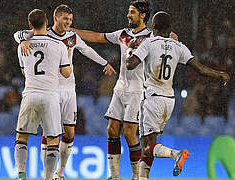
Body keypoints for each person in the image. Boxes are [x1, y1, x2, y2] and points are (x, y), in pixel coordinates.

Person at [71, 0, 174, 179]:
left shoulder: (152, 38)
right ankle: (114, 175)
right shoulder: (122, 34)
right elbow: (97, 37)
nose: (128, 15)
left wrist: (171, 37)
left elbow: (169, 44)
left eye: (132, 12)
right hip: (120, 88)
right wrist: (72, 31)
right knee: (111, 129)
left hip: (138, 91)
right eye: (129, 11)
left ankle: (136, 176)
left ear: (143, 15)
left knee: (128, 132)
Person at [14, 4, 116, 180]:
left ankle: (59, 173)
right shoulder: (45, 35)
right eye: (65, 19)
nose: (68, 22)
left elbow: (87, 50)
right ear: (55, 19)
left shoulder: (72, 37)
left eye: (70, 19)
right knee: (50, 134)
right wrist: (22, 40)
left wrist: (103, 62)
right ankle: (47, 174)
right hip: (52, 89)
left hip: (68, 90)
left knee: (69, 133)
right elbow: (19, 34)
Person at [126, 11, 230, 179]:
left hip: (152, 98)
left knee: (146, 147)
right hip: (169, 101)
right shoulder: (179, 46)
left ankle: (176, 154)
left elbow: (130, 65)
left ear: (153, 26)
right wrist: (220, 74)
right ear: (169, 28)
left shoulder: (149, 43)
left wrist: (130, 48)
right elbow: (200, 69)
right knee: (151, 146)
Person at [14, 9, 72, 180]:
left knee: (21, 136)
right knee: (53, 138)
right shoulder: (59, 45)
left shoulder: (22, 46)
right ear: (47, 22)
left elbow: (24, 72)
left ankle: (21, 174)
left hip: (30, 94)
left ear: (30, 25)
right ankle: (48, 177)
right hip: (50, 96)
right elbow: (67, 73)